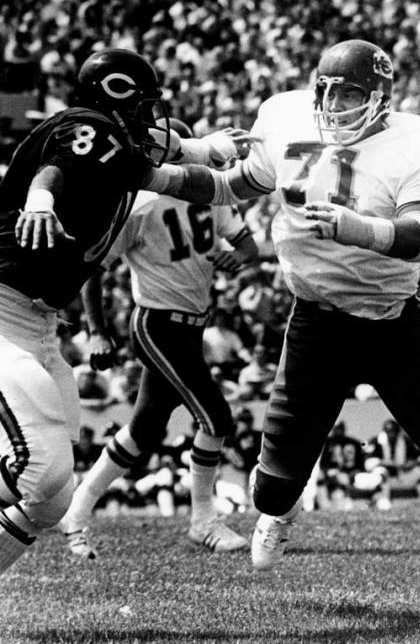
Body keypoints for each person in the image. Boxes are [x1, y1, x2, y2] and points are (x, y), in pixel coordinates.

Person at [140, 39, 420, 616]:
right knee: (270, 488)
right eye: (326, 91)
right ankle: (281, 510)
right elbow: (232, 187)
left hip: (390, 324)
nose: (333, 104)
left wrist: (358, 230)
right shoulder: (283, 117)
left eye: (350, 92)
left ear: (381, 97)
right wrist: (154, 175)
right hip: (315, 321)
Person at [0, 48, 248, 576]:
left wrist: (235, 169)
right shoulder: (91, 129)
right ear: (115, 97)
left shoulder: (122, 158)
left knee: (54, 494)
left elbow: (184, 174)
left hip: (38, 324)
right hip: (4, 310)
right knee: (40, 473)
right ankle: (203, 519)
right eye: (142, 107)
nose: (147, 119)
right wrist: (40, 202)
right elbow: (53, 171)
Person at [57, 116, 259, 559]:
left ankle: (77, 510)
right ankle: (203, 520)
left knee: (144, 428)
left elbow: (248, 246)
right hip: (157, 325)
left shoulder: (210, 189)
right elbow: (93, 267)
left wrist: (237, 260)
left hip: (193, 325)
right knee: (217, 419)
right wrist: (97, 331)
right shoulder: (140, 204)